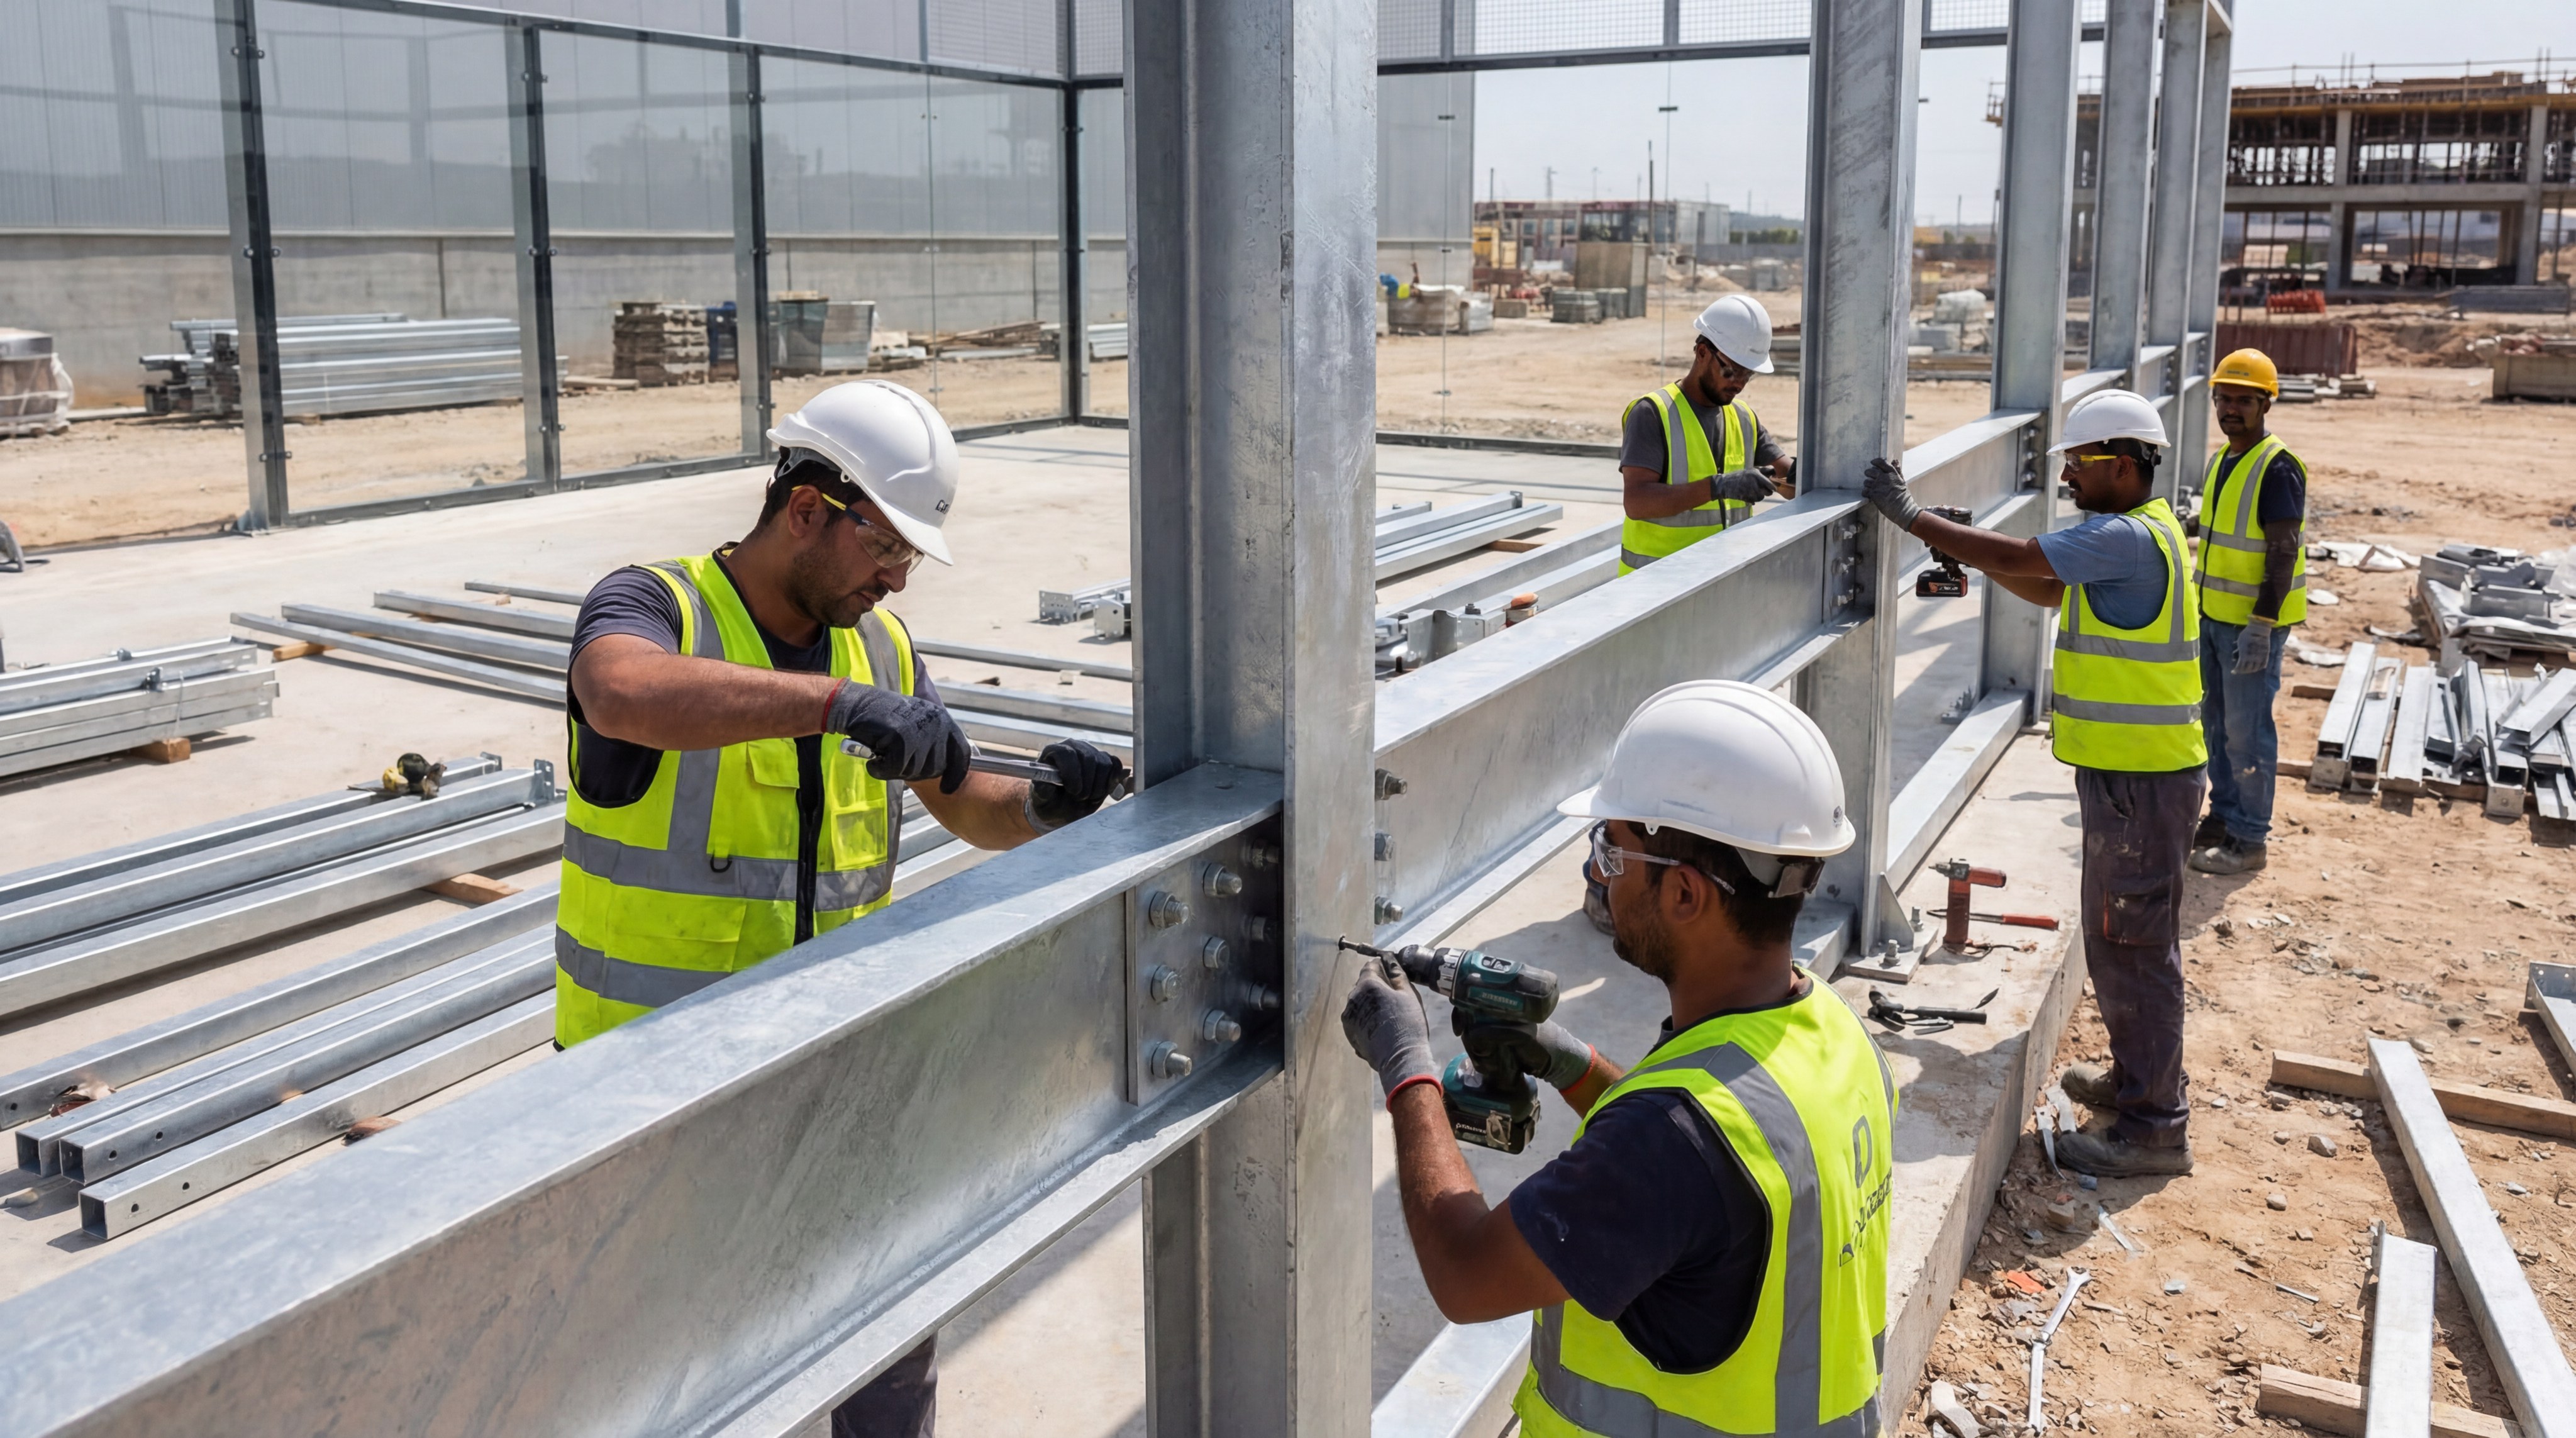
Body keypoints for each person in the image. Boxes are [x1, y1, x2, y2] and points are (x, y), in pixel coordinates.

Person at [558, 379, 1126, 1438]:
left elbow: (964, 802)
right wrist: (831, 707)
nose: (898, 579)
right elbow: (621, 695)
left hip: (840, 1079)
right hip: (646, 1108)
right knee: (665, 1387)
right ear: (810, 510)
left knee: (886, 1349)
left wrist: (1048, 807)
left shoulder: (882, 653)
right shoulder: (656, 606)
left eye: (911, 558)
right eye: (886, 550)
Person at [1342, 681, 1896, 1438]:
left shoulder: (1666, 1142)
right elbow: (1711, 1177)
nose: (1602, 877)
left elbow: (1466, 1276)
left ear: (1686, 895)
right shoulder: (1834, 1033)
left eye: (1613, 852)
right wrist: (1568, 1063)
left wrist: (1406, 1066)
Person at [1863, 389, 2205, 1178]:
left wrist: (1914, 517)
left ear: (2122, 465)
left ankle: (2155, 1126)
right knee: (2122, 941)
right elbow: (2046, 587)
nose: (2068, 481)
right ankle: (2138, 1084)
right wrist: (1972, 546)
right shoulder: (2136, 533)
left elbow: (2024, 561)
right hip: (2135, 783)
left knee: (2135, 946)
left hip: (2141, 785)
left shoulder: (2122, 537)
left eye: (2078, 467)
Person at [2188, 348, 2307, 876]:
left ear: (2266, 404)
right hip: (2214, 619)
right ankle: (2225, 816)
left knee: (2247, 732)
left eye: (2244, 400)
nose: (2231, 409)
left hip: (2250, 627)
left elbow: (2283, 551)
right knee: (2216, 728)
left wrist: (2262, 625)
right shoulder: (2222, 460)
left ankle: (2250, 839)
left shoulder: (2276, 467)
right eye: (2225, 399)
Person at [1615, 294, 1797, 577]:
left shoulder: (1744, 418)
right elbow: (1637, 503)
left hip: (1720, 585)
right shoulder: (1652, 413)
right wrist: (1719, 487)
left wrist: (1817, 471)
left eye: (1748, 375)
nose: (1739, 384)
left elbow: (1788, 478)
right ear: (1702, 353)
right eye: (1732, 371)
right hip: (1655, 589)